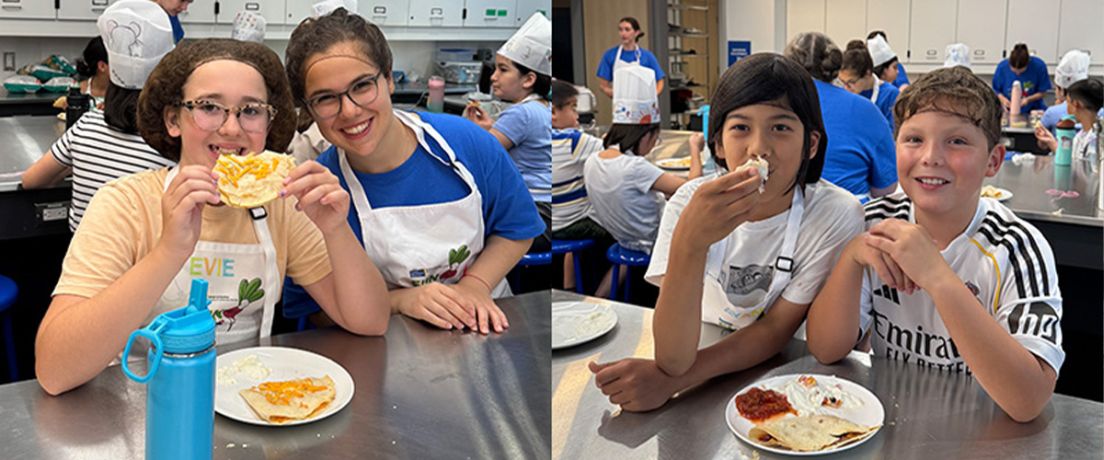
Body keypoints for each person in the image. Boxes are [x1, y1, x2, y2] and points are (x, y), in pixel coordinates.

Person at [34, 34, 391, 396]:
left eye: (251, 110)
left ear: (267, 126)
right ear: (174, 119)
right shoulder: (125, 204)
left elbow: (371, 322)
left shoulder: (283, 206)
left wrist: (335, 230)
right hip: (140, 406)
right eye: (209, 107)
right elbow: (55, 370)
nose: (232, 128)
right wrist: (169, 251)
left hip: (250, 401)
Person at [588, 53, 863, 412]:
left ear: (810, 145)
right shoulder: (688, 201)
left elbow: (775, 330)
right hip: (696, 343)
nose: (758, 148)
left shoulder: (834, 214)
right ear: (717, 144)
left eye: (780, 127)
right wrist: (691, 239)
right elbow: (671, 357)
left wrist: (674, 381)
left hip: (793, 380)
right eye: (740, 128)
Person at [806, 66, 1064, 423]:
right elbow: (825, 349)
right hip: (890, 422)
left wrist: (938, 277)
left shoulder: (1018, 248)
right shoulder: (874, 224)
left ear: (993, 160)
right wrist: (851, 258)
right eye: (914, 139)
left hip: (982, 432)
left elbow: (1028, 401)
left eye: (957, 141)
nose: (931, 157)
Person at [281, 7, 543, 334]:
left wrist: (474, 285)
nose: (349, 110)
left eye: (362, 86)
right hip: (385, 347)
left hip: (487, 326)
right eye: (325, 98)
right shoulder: (317, 198)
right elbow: (316, 311)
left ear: (389, 79)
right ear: (309, 110)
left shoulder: (467, 143)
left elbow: (517, 229)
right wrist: (401, 301)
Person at [22, 0, 177, 232]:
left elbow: (31, 181)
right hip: (144, 261)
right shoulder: (172, 141)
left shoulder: (86, 124)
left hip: (81, 260)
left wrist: (76, 161)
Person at [584, 63, 701, 256]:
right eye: (655, 138)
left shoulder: (594, 160)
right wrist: (695, 148)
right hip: (654, 240)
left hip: (623, 237)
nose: (654, 145)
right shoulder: (635, 167)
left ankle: (602, 289)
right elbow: (693, 188)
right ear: (645, 135)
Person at [464, 13, 552, 252]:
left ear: (528, 79)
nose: (493, 77)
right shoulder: (542, 107)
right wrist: (490, 129)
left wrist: (467, 128)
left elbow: (479, 156)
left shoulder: (520, 115)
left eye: (503, 70)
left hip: (534, 213)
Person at [786, 32, 897, 202]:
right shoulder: (866, 111)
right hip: (852, 220)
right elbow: (886, 187)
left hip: (781, 217)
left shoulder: (774, 109)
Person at [551, 80, 613, 293]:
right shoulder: (573, 141)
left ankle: (569, 286)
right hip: (569, 224)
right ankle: (600, 294)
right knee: (619, 231)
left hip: (546, 223)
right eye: (573, 108)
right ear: (553, 113)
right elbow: (613, 150)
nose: (577, 116)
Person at [596, 17, 665, 98]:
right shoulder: (610, 55)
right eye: (620, 30)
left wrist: (652, 96)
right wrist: (612, 93)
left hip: (643, 104)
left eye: (627, 29)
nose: (623, 33)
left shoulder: (647, 56)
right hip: (621, 105)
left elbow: (660, 81)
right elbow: (603, 85)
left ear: (636, 33)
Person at [1035, 78, 1102, 162]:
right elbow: (1072, 160)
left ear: (1076, 104)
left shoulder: (1095, 140)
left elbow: (1087, 170)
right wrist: (1051, 141)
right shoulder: (1081, 135)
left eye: (1067, 102)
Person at [839, 39, 899, 127]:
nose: (846, 88)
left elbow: (893, 134)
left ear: (868, 73)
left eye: (851, 82)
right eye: (843, 82)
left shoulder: (890, 95)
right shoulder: (844, 93)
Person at [1040, 50, 1096, 132]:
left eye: (1056, 87)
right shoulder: (1098, 111)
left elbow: (1041, 141)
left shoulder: (1052, 113)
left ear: (1062, 90)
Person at [993, 44, 1051, 116]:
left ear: (1028, 63)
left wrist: (1028, 100)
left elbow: (1043, 92)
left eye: (1021, 71)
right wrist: (1003, 100)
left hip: (1033, 110)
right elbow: (996, 91)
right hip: (1007, 111)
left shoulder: (1039, 66)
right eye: (1014, 71)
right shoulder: (1002, 68)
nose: (1017, 74)